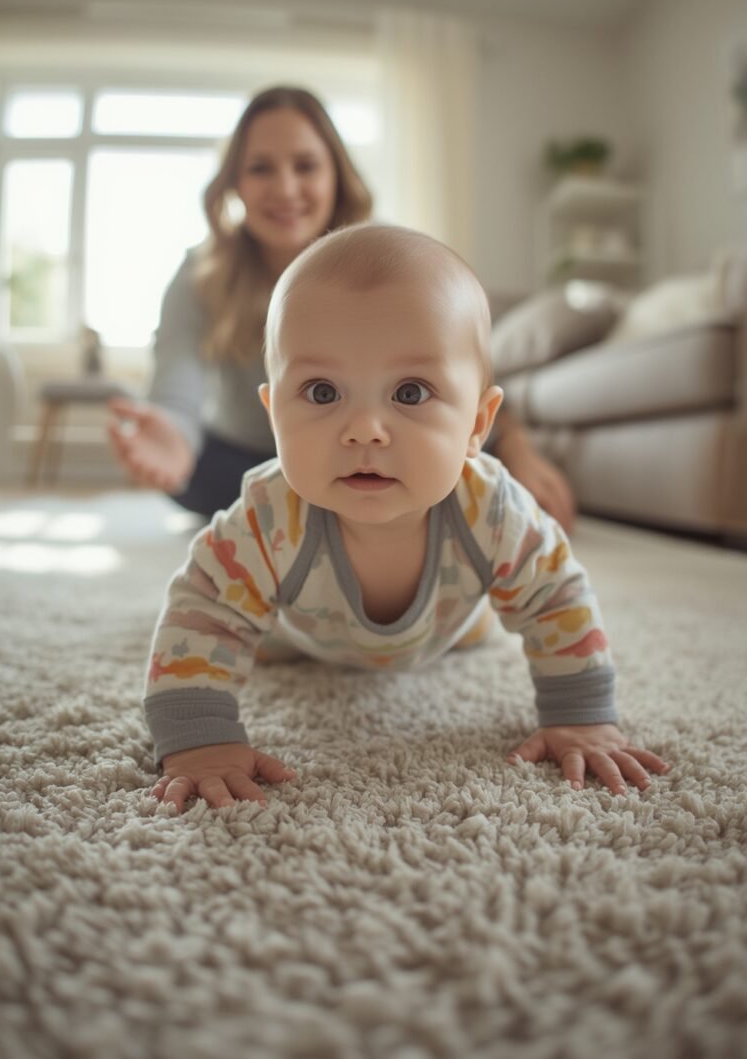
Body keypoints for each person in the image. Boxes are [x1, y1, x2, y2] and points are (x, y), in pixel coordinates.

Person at [144, 224, 668, 814]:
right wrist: (200, 740)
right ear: (273, 416)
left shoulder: (491, 509)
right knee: (242, 630)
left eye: (411, 393)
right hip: (303, 631)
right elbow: (203, 611)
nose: (365, 427)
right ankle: (272, 632)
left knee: (480, 627)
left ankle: (466, 624)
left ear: (476, 424)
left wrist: (580, 716)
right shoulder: (267, 520)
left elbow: (555, 595)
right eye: (321, 392)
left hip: (449, 624)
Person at [107, 84, 576, 531]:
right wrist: (174, 439)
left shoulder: (393, 260)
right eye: (261, 168)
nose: (286, 188)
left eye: (306, 166)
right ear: (235, 184)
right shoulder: (198, 275)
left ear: (336, 176)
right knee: (203, 476)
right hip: (241, 461)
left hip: (373, 448)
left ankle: (334, 507)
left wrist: (516, 448)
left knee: (444, 448)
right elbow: (178, 390)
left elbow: (459, 373)